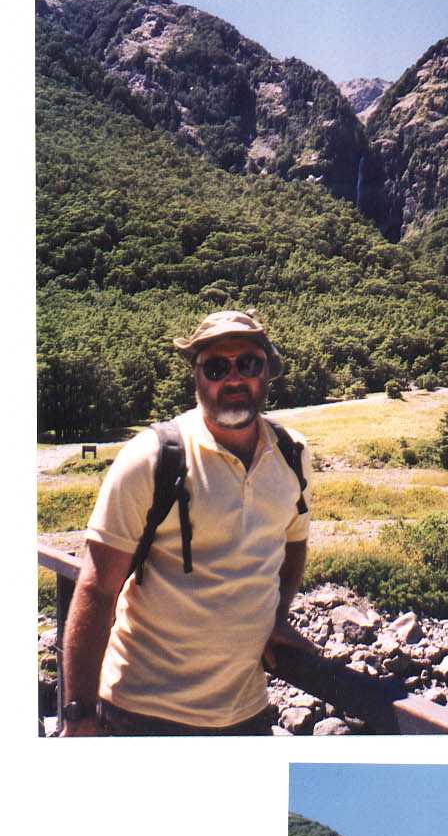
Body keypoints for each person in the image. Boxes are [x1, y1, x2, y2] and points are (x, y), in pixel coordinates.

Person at [59, 309, 313, 736]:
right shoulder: (152, 458)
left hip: (245, 714)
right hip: (140, 715)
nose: (233, 378)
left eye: (248, 363)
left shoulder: (292, 453)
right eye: (216, 367)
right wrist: (79, 716)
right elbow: (96, 588)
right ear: (196, 377)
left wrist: (277, 616)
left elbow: (294, 544)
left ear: (266, 370)